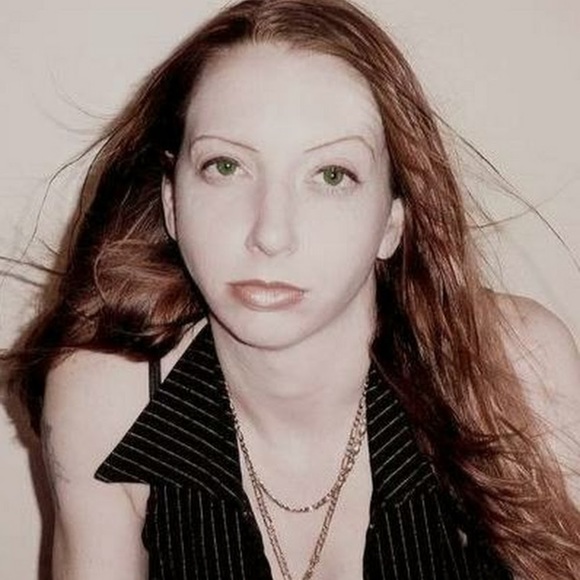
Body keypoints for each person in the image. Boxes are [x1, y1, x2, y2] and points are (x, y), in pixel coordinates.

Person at [6, 0, 580, 578]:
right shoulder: (108, 398)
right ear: (172, 201)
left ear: (392, 221)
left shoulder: (518, 369)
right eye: (225, 166)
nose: (271, 234)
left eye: (331, 176)